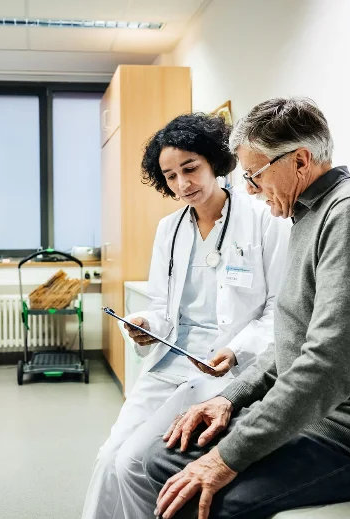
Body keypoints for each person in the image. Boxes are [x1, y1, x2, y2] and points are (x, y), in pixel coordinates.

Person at [145, 97, 350, 519]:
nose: (247, 188)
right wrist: (230, 399)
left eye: (255, 174)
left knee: (209, 498)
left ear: (300, 160)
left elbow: (329, 365)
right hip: (321, 418)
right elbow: (293, 341)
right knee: (164, 459)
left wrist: (226, 458)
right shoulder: (309, 218)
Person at [82, 113, 290, 519]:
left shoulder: (262, 220)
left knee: (133, 465)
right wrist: (146, 325)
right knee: (110, 459)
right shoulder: (170, 229)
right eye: (171, 176)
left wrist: (235, 350)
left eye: (190, 168)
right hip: (171, 360)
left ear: (214, 161)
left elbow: (279, 310)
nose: (183, 184)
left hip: (223, 369)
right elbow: (162, 307)